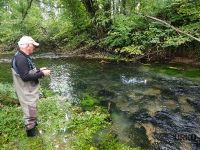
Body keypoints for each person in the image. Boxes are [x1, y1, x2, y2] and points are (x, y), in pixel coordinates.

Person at [11, 36, 51, 137]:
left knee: (31, 109)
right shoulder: (21, 58)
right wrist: (42, 74)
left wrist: (38, 70)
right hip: (25, 90)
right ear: (28, 45)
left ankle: (33, 126)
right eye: (33, 45)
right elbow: (25, 77)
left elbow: (26, 71)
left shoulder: (22, 56)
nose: (34, 47)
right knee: (30, 111)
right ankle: (31, 134)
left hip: (27, 89)